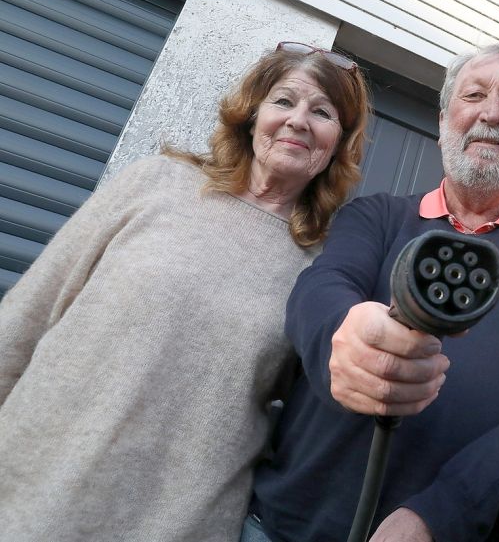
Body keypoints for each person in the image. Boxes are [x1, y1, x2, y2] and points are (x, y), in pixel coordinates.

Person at [0, 41, 370, 541]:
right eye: (284, 101)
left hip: (174, 522)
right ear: (252, 113)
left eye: (322, 112)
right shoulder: (156, 183)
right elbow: (30, 311)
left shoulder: (322, 268)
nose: (299, 120)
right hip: (30, 480)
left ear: (339, 143)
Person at [248, 43, 499, 541]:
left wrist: (444, 512)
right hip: (288, 526)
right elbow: (322, 286)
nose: (491, 113)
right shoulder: (374, 215)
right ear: (444, 121)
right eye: (475, 95)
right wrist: (344, 336)